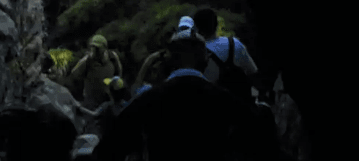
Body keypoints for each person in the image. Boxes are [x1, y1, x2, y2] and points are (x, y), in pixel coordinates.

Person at [92, 27, 280, 161]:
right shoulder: (225, 100)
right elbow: (263, 145)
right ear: (206, 61)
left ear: (168, 62)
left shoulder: (147, 100)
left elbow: (108, 150)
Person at [192, 7, 260, 102]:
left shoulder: (197, 52)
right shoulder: (235, 43)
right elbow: (252, 71)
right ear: (216, 24)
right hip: (240, 106)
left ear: (196, 28)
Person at [66, 35, 123, 111]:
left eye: (98, 47)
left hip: (108, 98)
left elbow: (119, 71)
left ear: (105, 47)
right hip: (91, 101)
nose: (96, 50)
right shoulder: (87, 60)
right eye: (93, 47)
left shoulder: (112, 57)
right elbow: (74, 74)